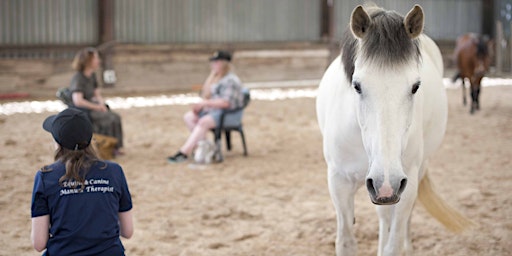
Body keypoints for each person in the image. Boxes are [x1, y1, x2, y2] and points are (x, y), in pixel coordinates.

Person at [31, 108, 134, 255]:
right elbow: (128, 232)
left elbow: (39, 243)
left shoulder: (45, 176)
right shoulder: (114, 171)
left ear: (57, 142)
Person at [167, 50, 244, 163]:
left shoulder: (231, 80)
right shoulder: (216, 78)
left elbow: (226, 103)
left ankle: (184, 152)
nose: (213, 65)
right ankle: (205, 146)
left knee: (203, 122)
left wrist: (205, 104)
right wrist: (211, 77)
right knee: (189, 117)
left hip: (228, 115)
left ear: (224, 64)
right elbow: (206, 95)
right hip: (214, 112)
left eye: (216, 62)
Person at [69, 47, 124, 155]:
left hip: (94, 106)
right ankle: (105, 147)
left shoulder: (92, 75)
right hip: (85, 110)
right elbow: (78, 101)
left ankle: (115, 147)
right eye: (96, 58)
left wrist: (101, 105)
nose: (99, 61)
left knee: (115, 117)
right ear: (88, 61)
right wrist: (97, 107)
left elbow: (97, 94)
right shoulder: (78, 78)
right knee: (110, 119)